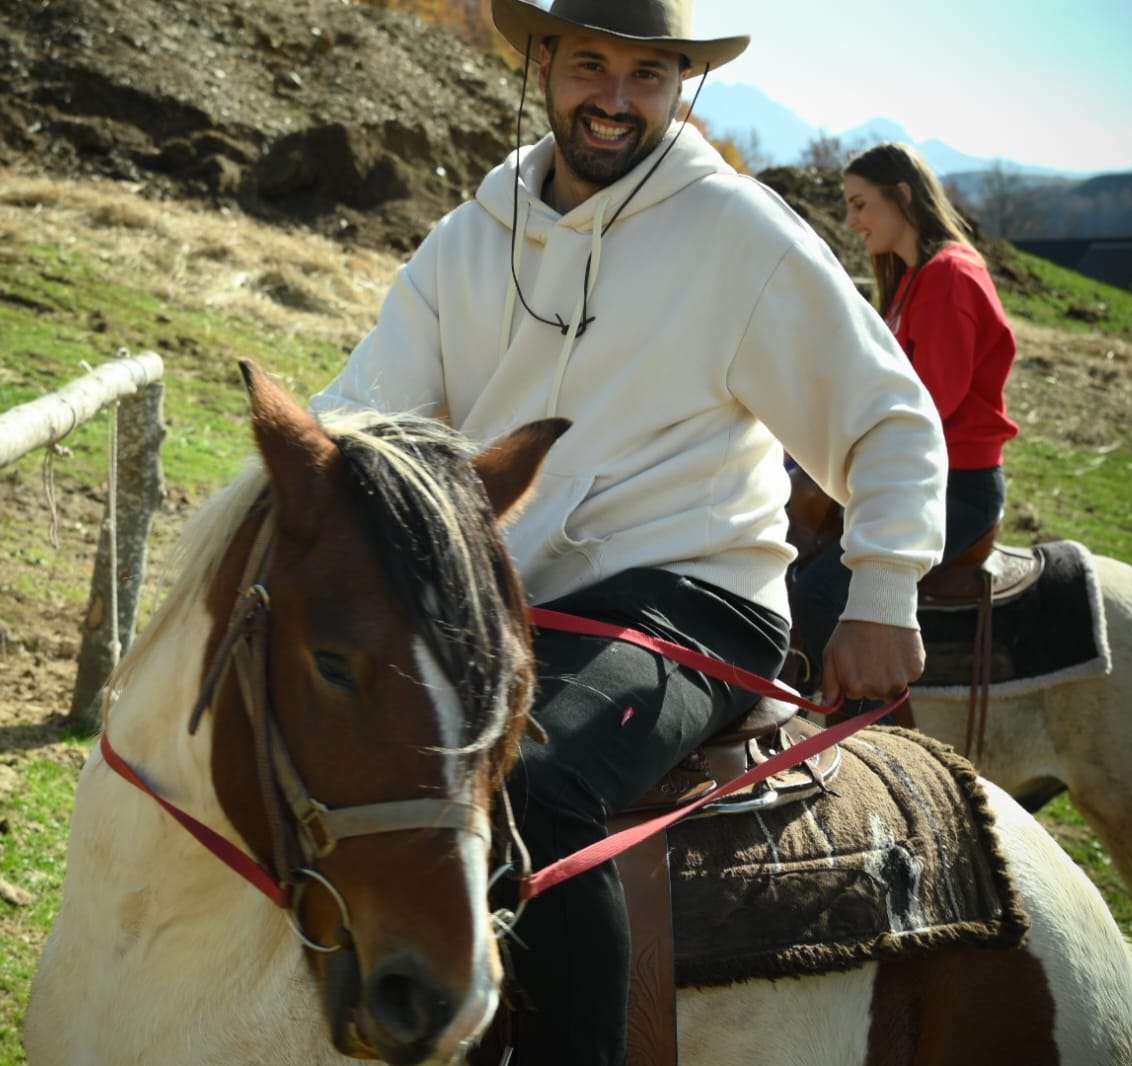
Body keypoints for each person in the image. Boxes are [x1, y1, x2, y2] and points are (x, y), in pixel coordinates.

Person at [310, 4, 947, 1063]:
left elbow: (887, 415)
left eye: (647, 75)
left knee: (533, 778)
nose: (614, 98)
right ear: (543, 63)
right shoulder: (470, 238)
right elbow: (365, 415)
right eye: (591, 64)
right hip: (508, 604)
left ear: (682, 85)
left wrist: (882, 587)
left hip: (693, 597)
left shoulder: (737, 233)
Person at [790, 142, 1019, 705]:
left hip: (955, 485)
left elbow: (929, 404)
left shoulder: (949, 277)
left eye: (860, 204)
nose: (852, 221)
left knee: (821, 593)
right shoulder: (914, 278)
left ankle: (872, 742)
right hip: (917, 473)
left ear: (902, 196)